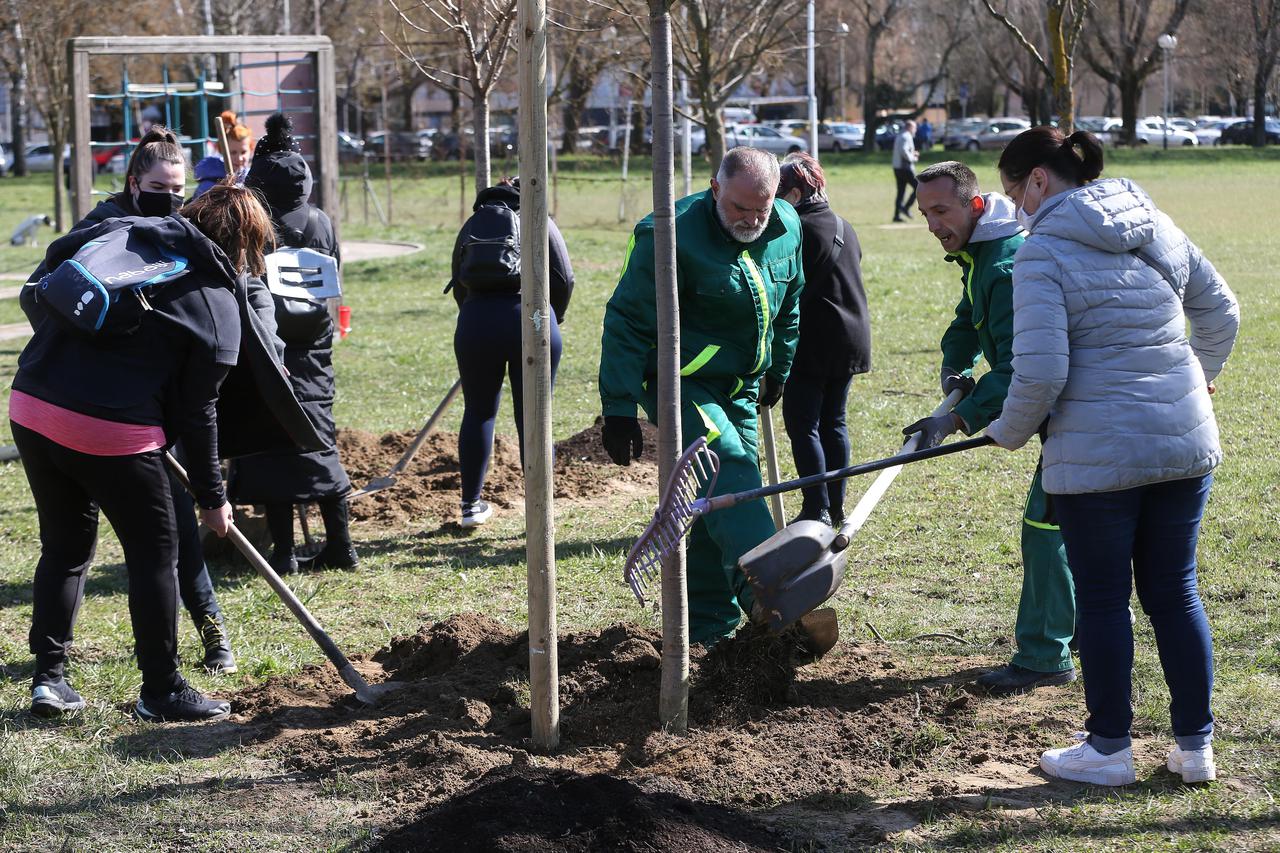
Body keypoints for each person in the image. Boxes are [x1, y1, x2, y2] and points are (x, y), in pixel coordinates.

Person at [987, 127, 1239, 785]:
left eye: (1015, 193)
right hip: (1184, 439)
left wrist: (1005, 432)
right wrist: (1197, 379)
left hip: (1098, 456)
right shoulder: (1155, 222)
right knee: (1175, 590)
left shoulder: (1040, 252)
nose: (1016, 208)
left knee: (1102, 598)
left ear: (1038, 180)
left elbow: (1040, 374)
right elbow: (1222, 313)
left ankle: (1108, 749)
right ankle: (1195, 749)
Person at [15, 184, 276, 722]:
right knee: (156, 554)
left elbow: (52, 269)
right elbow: (198, 413)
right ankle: (162, 690)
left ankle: (48, 680)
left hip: (33, 404)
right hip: (110, 431)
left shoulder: (125, 235)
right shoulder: (215, 303)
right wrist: (212, 497)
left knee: (64, 548)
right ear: (246, 246)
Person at [25, 127, 243, 674]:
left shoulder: (178, 239)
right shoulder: (102, 233)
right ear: (132, 183)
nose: (170, 197)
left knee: (167, 538)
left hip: (113, 409)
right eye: (159, 186)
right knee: (148, 546)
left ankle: (212, 634)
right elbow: (42, 294)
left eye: (179, 188)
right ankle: (151, 681)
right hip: (115, 414)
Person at [599, 146, 804, 646]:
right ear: (715, 188)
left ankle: (710, 628)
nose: (753, 219)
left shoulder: (784, 225)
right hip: (679, 382)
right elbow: (626, 319)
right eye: (740, 208)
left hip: (743, 383)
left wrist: (778, 367)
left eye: (763, 207)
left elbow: (791, 299)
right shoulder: (667, 234)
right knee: (724, 463)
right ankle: (772, 591)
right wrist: (619, 407)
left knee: (722, 500)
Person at [904, 160, 1076, 695]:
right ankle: (1079, 635)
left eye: (941, 211)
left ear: (975, 205)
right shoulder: (978, 255)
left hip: (1076, 416)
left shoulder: (1004, 266)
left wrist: (958, 417)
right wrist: (954, 366)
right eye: (925, 213)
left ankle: (1046, 656)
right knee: (1071, 528)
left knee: (1047, 531)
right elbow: (965, 319)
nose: (933, 225)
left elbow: (1017, 367)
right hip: (1062, 410)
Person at [228, 113, 358, 572]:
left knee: (269, 444)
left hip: (267, 343)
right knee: (320, 438)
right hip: (315, 344)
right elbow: (335, 270)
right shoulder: (321, 220)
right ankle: (341, 544)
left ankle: (283, 553)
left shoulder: (251, 220)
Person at [445, 177, 574, 527]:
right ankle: (541, 504)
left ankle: (470, 505)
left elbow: (458, 278)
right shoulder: (538, 218)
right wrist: (552, 317)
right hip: (530, 317)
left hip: (476, 321)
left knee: (479, 412)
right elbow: (564, 277)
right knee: (534, 415)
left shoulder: (474, 221)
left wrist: (474, 314)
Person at [775, 152, 869, 526]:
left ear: (795, 193)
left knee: (804, 425)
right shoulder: (845, 226)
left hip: (812, 338)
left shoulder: (794, 230)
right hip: (850, 336)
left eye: (780, 192)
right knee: (834, 423)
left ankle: (816, 507)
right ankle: (836, 503)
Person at [892, 119, 919, 222]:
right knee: (918, 187)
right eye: (915, 128)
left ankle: (896, 215)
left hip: (898, 167)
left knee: (901, 192)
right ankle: (906, 208)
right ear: (910, 127)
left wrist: (912, 153)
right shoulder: (906, 136)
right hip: (905, 168)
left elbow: (904, 150)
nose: (915, 130)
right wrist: (913, 157)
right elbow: (903, 151)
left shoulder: (900, 135)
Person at [218, 110, 253, 174]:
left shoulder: (255, 177)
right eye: (233, 152)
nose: (239, 158)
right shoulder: (213, 179)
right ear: (222, 151)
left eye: (243, 152)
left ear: (251, 149)